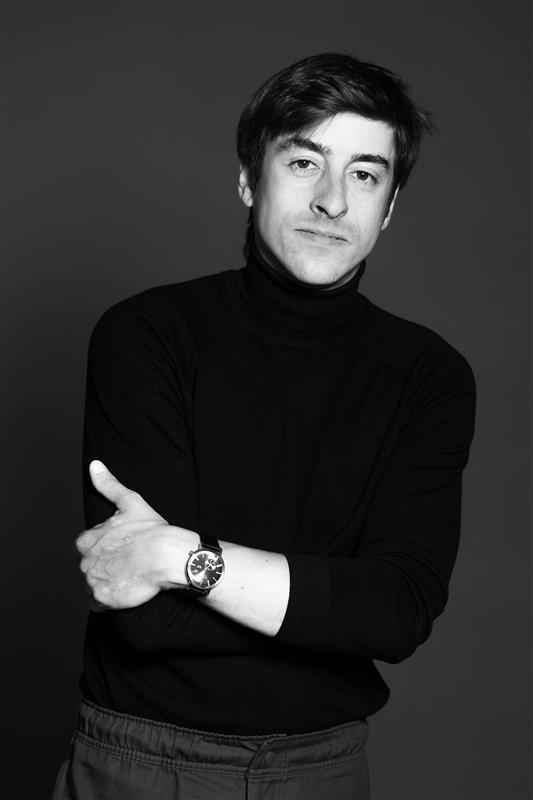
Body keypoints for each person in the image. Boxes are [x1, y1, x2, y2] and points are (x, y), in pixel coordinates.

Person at [52, 52, 476, 800]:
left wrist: (180, 556)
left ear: (388, 206)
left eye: (364, 175)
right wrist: (328, 602)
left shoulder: (428, 376)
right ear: (250, 179)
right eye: (304, 162)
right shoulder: (147, 335)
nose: (332, 201)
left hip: (324, 771)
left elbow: (397, 614)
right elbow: (148, 621)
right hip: (141, 765)